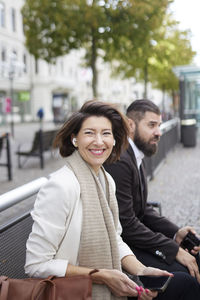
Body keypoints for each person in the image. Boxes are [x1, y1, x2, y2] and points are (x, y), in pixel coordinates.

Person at [25, 100, 200, 300]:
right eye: (89, 133)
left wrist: (141, 271)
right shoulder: (61, 186)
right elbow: (35, 265)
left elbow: (115, 238)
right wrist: (102, 275)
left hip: (108, 280)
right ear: (75, 138)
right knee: (185, 285)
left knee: (183, 282)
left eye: (106, 133)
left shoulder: (105, 180)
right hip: (75, 291)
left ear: (115, 140)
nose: (99, 142)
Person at [104, 99, 200, 283]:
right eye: (151, 125)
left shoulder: (135, 154)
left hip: (136, 241)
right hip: (124, 249)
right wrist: (173, 250)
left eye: (159, 125)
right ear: (130, 125)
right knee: (186, 277)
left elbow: (142, 208)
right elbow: (127, 223)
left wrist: (176, 232)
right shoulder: (120, 160)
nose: (158, 132)